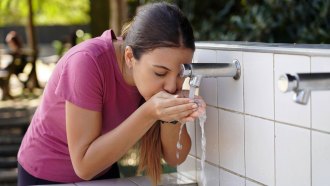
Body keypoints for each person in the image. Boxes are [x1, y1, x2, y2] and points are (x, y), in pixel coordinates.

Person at [17, 2, 206, 186]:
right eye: (160, 73)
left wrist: (171, 115)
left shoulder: (155, 82)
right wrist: (149, 112)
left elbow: (176, 157)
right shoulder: (87, 62)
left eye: (181, 73)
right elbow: (84, 166)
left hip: (104, 165)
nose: (172, 86)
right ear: (130, 57)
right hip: (47, 174)